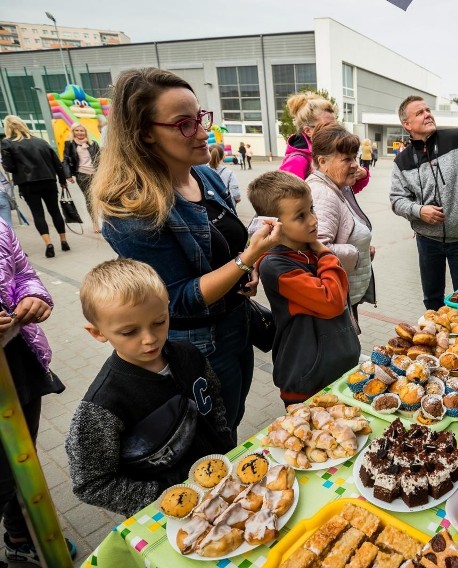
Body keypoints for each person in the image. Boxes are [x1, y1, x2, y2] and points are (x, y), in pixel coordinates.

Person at [91, 67, 287, 432]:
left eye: (200, 117)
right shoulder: (133, 207)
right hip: (199, 343)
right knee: (215, 431)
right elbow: (176, 298)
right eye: (184, 123)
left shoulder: (205, 175)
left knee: (234, 412)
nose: (202, 131)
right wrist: (248, 259)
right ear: (145, 133)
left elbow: (229, 245)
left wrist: (248, 266)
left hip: (236, 322)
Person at [66, 259, 233, 517]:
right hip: (173, 513)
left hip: (224, 479)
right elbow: (91, 483)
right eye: (129, 331)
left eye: (158, 322)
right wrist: (162, 497)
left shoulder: (189, 354)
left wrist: (224, 438)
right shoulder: (103, 404)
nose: (149, 339)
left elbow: (214, 398)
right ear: (97, 333)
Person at [246, 171, 360, 403]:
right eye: (300, 216)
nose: (313, 220)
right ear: (273, 224)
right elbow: (332, 301)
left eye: (312, 209)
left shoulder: (307, 253)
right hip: (306, 379)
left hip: (338, 370)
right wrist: (324, 250)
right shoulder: (277, 265)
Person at [0, 218, 77, 564]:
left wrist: (33, 297)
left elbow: (22, 273)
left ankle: (20, 535)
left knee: (21, 461)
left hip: (17, 362)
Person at [390, 95, 458, 310]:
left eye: (428, 110)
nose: (428, 114)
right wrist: (419, 211)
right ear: (407, 124)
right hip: (427, 241)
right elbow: (396, 200)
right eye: (419, 112)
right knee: (432, 300)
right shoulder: (402, 162)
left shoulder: (456, 139)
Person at [308, 123, 376, 319]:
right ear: (322, 161)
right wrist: (356, 252)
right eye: (347, 159)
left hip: (342, 295)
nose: (355, 164)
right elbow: (317, 249)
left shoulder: (336, 186)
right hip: (334, 299)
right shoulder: (322, 193)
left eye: (354, 157)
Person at [0, 115, 70, 257]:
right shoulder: (41, 141)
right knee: (55, 211)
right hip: (48, 181)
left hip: (28, 184)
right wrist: (62, 181)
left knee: (37, 214)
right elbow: (57, 164)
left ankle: (48, 243)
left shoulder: (7, 143)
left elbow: (9, 167)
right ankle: (64, 241)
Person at [279, 92, 370, 193]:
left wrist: (361, 175)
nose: (334, 130)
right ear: (308, 131)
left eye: (335, 125)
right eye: (327, 126)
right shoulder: (297, 161)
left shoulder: (330, 149)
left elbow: (343, 192)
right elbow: (284, 200)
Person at [63, 122, 101, 232]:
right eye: (77, 130)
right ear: (73, 132)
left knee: (101, 197)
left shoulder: (93, 144)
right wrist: (68, 175)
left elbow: (100, 158)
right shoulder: (69, 144)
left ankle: (107, 219)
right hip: (82, 175)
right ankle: (95, 223)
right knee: (89, 199)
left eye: (82, 130)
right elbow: (65, 159)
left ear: (85, 132)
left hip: (96, 174)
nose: (79, 133)